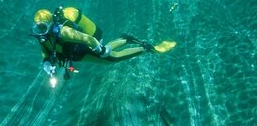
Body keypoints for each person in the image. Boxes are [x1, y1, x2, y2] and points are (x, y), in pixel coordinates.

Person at [31, 6, 174, 79]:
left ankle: (144, 48)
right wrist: (46, 63)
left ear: (50, 24)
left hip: (84, 48)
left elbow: (87, 39)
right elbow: (45, 49)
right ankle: (126, 39)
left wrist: (100, 50)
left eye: (42, 26)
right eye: (37, 27)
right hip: (77, 53)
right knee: (107, 52)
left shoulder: (63, 32)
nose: (39, 31)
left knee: (112, 59)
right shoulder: (42, 36)